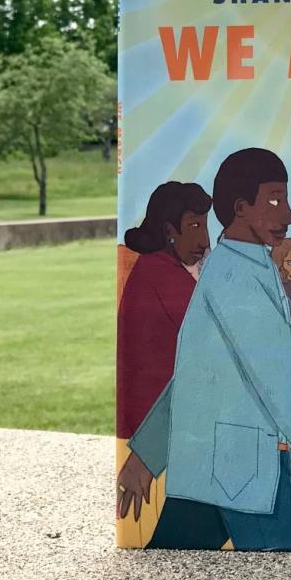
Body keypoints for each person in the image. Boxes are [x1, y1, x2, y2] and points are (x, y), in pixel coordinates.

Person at [116, 148, 291, 550]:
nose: (288, 215)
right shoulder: (235, 273)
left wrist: (147, 455)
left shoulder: (241, 267)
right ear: (240, 207)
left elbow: (199, 375)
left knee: (171, 571)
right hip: (238, 469)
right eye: (275, 199)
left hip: (219, 466)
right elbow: (280, 367)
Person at [116, 181, 211, 438]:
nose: (205, 240)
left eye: (205, 226)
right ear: (170, 230)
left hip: (159, 421)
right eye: (195, 226)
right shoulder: (160, 272)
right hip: (157, 431)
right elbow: (210, 335)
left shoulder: (157, 267)